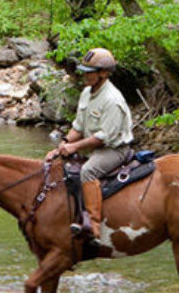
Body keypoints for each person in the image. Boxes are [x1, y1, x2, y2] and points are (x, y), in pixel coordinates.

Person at [45, 47, 134, 240]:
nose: (85, 76)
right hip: (92, 145)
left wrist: (74, 147)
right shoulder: (87, 93)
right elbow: (78, 127)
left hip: (113, 149)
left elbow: (104, 137)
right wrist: (63, 144)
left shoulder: (112, 99)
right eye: (84, 72)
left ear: (103, 74)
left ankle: (93, 224)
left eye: (89, 73)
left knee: (88, 171)